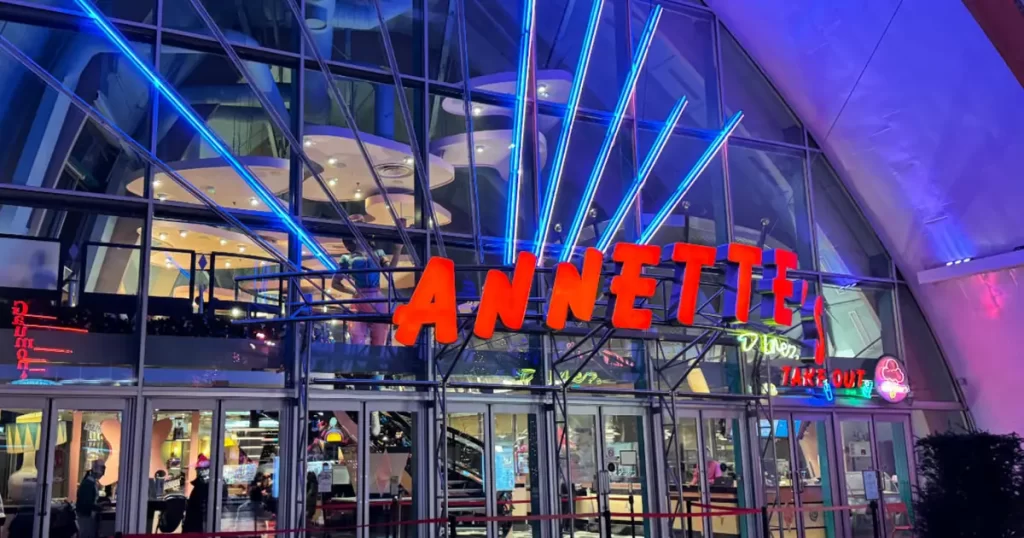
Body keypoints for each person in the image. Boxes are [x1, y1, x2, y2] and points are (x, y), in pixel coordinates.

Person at [75, 460, 105, 538]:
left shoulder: (90, 482)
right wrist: (98, 507)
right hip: (85, 515)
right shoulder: (88, 484)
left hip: (87, 514)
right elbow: (86, 503)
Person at [182, 454, 210, 532]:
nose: (196, 471)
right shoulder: (206, 486)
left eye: (198, 469)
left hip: (195, 527)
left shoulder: (200, 486)